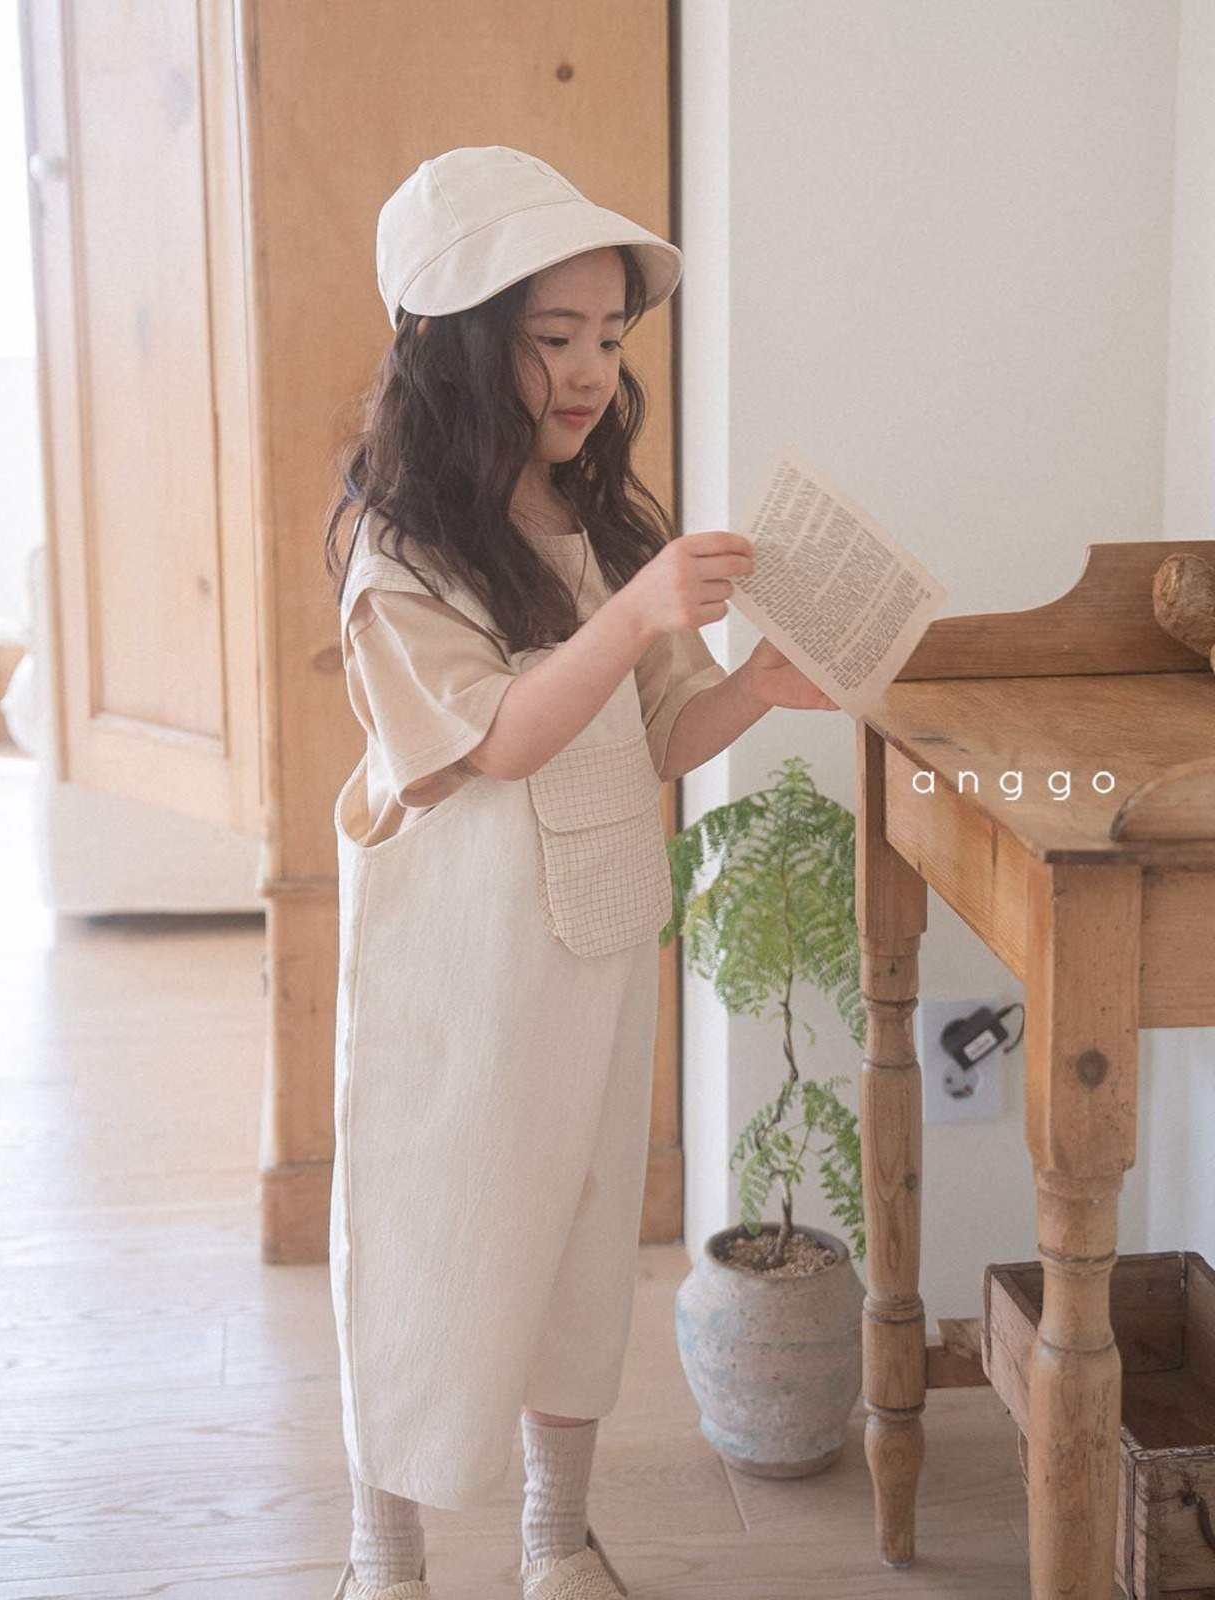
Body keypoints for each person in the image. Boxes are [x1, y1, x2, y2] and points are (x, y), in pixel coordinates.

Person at [324, 146, 836, 1600]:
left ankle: (557, 1539)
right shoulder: (399, 550)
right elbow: (495, 741)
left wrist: (758, 687)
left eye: (610, 336)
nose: (590, 372)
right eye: (553, 336)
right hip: (460, 952)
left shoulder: (609, 525)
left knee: (579, 1232)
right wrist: (636, 617)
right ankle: (384, 1554)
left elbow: (660, 732)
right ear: (452, 343)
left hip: (598, 931)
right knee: (434, 1233)